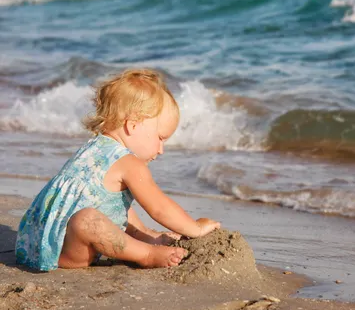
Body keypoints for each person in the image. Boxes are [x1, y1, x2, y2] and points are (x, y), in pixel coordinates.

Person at [15, 69, 220, 271]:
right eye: (160, 138)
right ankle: (146, 254)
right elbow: (159, 208)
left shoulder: (94, 148)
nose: (161, 150)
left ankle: (144, 234)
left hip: (31, 243)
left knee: (114, 201)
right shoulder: (129, 163)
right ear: (133, 125)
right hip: (64, 252)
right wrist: (195, 228)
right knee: (87, 219)